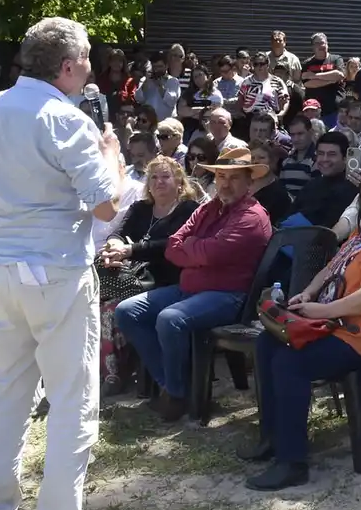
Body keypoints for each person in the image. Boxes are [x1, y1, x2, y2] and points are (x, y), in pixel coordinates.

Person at [0, 17, 128, 510]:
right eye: (85, 59)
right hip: (56, 272)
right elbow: (107, 207)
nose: (90, 67)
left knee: (10, 391)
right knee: (73, 399)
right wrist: (113, 159)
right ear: (66, 66)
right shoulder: (67, 120)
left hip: (3, 268)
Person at [242, 169, 361, 491]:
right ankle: (273, 437)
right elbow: (331, 268)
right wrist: (309, 294)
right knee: (266, 344)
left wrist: (324, 310)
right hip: (338, 325)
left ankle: (292, 461)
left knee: (290, 361)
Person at [114, 147, 272, 422]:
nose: (225, 183)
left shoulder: (252, 217)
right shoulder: (210, 208)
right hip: (190, 288)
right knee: (127, 311)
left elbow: (210, 252)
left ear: (250, 181)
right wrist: (197, 250)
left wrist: (194, 249)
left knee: (169, 318)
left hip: (229, 295)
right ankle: (173, 386)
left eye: (234, 178)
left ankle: (176, 395)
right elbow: (173, 246)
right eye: (221, 176)